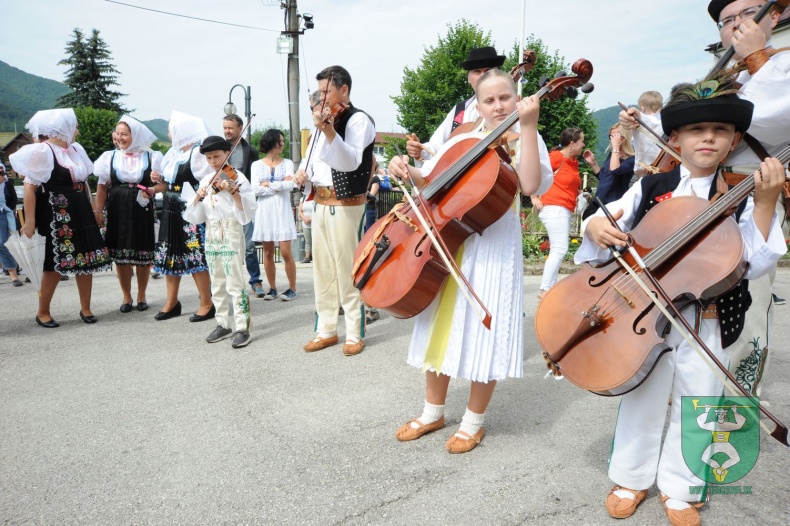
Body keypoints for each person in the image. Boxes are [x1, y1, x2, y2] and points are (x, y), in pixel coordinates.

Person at [579, 78, 785, 526]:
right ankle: (631, 478)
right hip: (646, 314)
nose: (708, 137)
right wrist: (594, 227)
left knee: (700, 399)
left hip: (709, 316)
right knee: (643, 396)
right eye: (695, 130)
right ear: (674, 139)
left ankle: (682, 488)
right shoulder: (653, 187)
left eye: (719, 129)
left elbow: (755, 261)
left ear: (732, 142)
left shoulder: (742, 192)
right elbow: (605, 218)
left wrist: (767, 201)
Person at [621, 0, 790, 398]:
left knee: (742, 304)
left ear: (775, 15)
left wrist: (757, 57)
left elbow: (772, 115)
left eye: (748, 13)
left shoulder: (778, 65)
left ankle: (732, 401)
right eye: (727, 20)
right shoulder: (725, 73)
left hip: (748, 192)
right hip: (687, 201)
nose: (737, 24)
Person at [388, 69, 554, 453]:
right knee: (436, 323)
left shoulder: (528, 134)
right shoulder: (460, 137)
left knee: (486, 328)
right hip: (451, 238)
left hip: (495, 241)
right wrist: (404, 169)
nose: (498, 106)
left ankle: (473, 421)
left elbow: (530, 186)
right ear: (476, 105)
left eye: (505, 98)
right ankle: (432, 412)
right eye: (489, 100)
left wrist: (528, 128)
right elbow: (429, 180)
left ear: (517, 98)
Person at [294, 65, 376, 356]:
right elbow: (312, 162)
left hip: (346, 203)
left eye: (327, 90)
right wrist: (303, 176)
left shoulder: (358, 120)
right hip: (321, 201)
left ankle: (354, 332)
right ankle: (326, 329)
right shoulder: (323, 121)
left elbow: (351, 161)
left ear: (344, 90)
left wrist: (329, 132)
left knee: (346, 269)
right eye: (320, 91)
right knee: (323, 269)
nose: (322, 96)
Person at [10, 108, 112, 327]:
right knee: (53, 264)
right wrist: (29, 221)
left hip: (81, 208)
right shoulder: (43, 151)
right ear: (62, 128)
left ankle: (86, 308)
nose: (77, 129)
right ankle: (43, 312)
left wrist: (95, 210)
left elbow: (84, 183)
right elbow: (29, 187)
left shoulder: (77, 150)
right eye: (74, 125)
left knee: (85, 259)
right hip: (57, 212)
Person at [183, 136, 256, 349]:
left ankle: (242, 327)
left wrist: (233, 192)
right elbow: (195, 215)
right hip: (212, 231)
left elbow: (248, 209)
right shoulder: (206, 180)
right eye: (209, 158)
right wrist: (197, 197)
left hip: (230, 229)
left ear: (227, 154)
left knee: (234, 280)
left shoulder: (238, 177)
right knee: (216, 280)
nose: (213, 162)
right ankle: (222, 323)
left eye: (216, 156)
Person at [94, 115, 163, 312]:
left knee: (143, 253)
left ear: (136, 135)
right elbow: (101, 187)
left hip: (141, 207)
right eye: (118, 133)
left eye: (125, 134)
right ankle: (126, 296)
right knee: (120, 254)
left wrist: (154, 185)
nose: (120, 137)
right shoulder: (109, 157)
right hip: (117, 207)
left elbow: (161, 185)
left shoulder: (152, 157)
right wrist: (98, 211)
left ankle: (142, 295)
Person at [152, 111, 214, 323]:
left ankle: (206, 302)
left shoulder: (197, 152)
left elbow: (207, 179)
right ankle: (172, 302)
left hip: (189, 207)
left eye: (172, 128)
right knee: (170, 253)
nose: (169, 133)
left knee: (195, 252)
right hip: (170, 205)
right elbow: (169, 180)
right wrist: (158, 178)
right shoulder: (174, 153)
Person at [406, 46, 506, 163]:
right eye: (477, 71)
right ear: (468, 78)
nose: (483, 76)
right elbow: (438, 146)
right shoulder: (459, 110)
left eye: (488, 71)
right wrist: (420, 150)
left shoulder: (510, 108)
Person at [531, 127, 585, 299]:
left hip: (564, 208)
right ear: (572, 143)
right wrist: (533, 196)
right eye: (581, 141)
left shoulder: (574, 162)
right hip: (553, 206)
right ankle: (545, 289)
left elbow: (568, 184)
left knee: (558, 248)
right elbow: (535, 173)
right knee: (560, 248)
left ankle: (549, 288)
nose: (583, 144)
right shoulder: (556, 157)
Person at [250, 129, 298, 301]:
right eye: (280, 141)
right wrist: (279, 184)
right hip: (265, 211)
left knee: (286, 251)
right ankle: (272, 288)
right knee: (268, 252)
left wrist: (268, 184)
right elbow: (255, 188)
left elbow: (291, 185)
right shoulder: (256, 165)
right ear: (271, 142)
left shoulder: (287, 163)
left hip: (282, 209)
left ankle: (292, 288)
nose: (282, 144)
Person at [223, 114, 262, 298]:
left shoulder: (250, 151)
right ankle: (226, 283)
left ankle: (255, 281)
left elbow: (252, 178)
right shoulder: (221, 150)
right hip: (224, 202)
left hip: (242, 200)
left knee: (249, 245)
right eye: (224, 128)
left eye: (230, 128)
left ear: (240, 128)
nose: (227, 131)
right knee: (225, 245)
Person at [581, 123, 636, 219]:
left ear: (624, 137)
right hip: (597, 203)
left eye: (616, 136)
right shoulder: (612, 155)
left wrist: (616, 148)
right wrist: (593, 163)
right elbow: (603, 177)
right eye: (611, 136)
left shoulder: (631, 159)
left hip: (612, 206)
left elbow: (615, 170)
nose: (612, 139)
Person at [632, 90, 664, 177]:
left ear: (642, 109)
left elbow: (633, 144)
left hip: (646, 169)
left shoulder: (640, 123)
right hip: (665, 165)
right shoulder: (665, 123)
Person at [0, 164, 23, 287]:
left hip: (3, 214)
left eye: (2, 172)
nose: (2, 174)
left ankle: (13, 275)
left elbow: (13, 199)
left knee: (2, 243)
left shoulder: (7, 183)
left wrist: (8, 209)